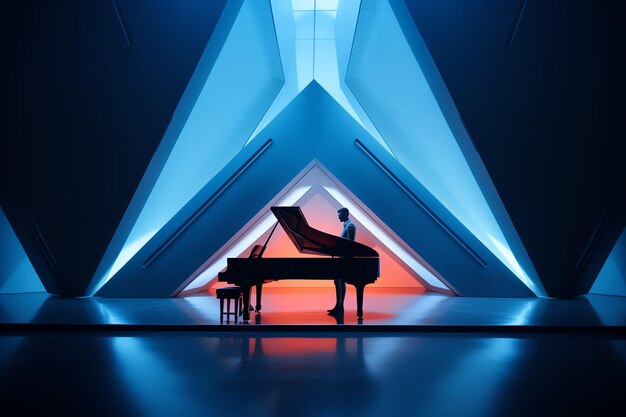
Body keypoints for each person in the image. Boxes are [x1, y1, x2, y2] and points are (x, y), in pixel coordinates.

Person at [328, 207, 356, 316]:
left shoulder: (350, 226)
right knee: (337, 282)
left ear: (345, 214)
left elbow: (350, 245)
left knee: (341, 282)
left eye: (339, 214)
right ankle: (338, 306)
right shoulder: (346, 226)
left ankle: (340, 306)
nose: (338, 217)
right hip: (341, 260)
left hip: (345, 260)